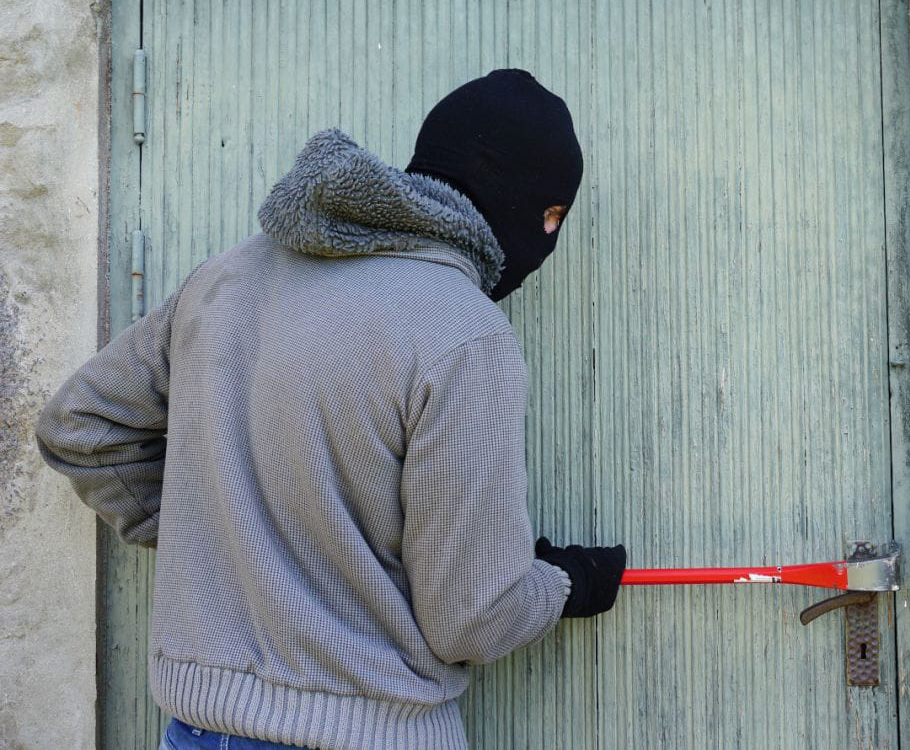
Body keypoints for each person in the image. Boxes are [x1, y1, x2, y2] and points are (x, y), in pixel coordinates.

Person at [36, 69, 626, 750]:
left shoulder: (226, 278)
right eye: (550, 215)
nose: (546, 239)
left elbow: (80, 426)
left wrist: (228, 529)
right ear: (508, 194)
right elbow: (470, 618)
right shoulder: (465, 332)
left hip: (196, 730)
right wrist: (566, 582)